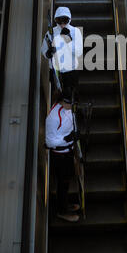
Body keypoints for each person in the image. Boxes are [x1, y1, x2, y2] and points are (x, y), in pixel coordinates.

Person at [45, 90, 80, 222]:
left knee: (67, 181)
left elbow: (71, 121)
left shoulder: (67, 109)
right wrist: (67, 138)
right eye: (70, 104)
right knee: (62, 182)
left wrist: (75, 132)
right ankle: (61, 211)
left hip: (69, 152)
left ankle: (65, 204)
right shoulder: (53, 117)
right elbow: (49, 142)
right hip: (60, 156)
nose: (72, 106)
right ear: (63, 102)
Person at [41, 6, 83, 101]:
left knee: (72, 98)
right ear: (56, 20)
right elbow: (44, 49)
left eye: (65, 20)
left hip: (71, 72)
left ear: (69, 19)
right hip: (55, 72)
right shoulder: (51, 33)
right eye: (59, 20)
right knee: (58, 97)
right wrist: (48, 53)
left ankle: (72, 115)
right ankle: (58, 114)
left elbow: (79, 52)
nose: (62, 24)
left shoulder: (75, 31)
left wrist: (68, 40)